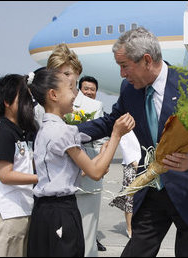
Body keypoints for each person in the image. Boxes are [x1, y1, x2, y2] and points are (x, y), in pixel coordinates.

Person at [77, 27, 188, 257]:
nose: (122, 74)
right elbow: (110, 122)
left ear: (146, 60)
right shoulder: (130, 90)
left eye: (124, 66)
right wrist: (68, 133)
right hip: (152, 190)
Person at [26, 68, 134, 257]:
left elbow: (74, 170)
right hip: (62, 211)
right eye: (70, 89)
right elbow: (95, 172)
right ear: (53, 95)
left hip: (43, 212)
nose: (76, 94)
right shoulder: (64, 132)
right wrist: (116, 135)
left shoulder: (45, 129)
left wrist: (103, 153)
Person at [0, 74, 38, 257]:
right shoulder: (3, 134)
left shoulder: (22, 131)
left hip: (21, 208)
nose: (29, 103)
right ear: (7, 102)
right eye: (23, 98)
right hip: (9, 213)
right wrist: (41, 178)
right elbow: (5, 175)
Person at [75, 75, 108, 254]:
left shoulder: (95, 107)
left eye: (92, 89)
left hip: (86, 178)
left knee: (87, 234)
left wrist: (93, 165)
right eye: (85, 88)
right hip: (58, 181)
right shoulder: (49, 102)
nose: (88, 92)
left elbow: (101, 143)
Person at [109, 131, 141, 239]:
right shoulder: (128, 122)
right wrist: (133, 162)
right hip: (131, 164)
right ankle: (129, 228)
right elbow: (123, 144)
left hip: (146, 162)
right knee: (130, 197)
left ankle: (141, 225)